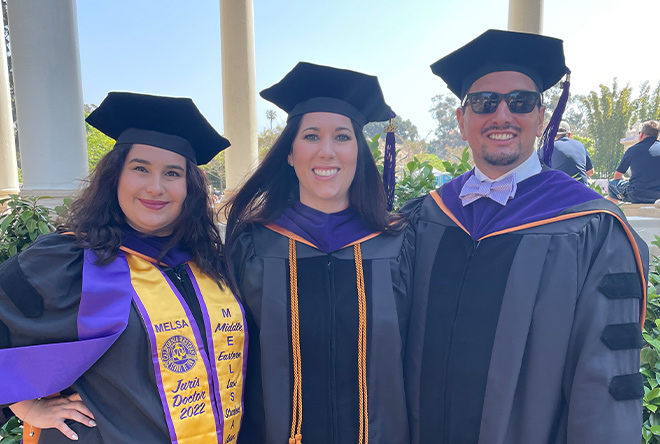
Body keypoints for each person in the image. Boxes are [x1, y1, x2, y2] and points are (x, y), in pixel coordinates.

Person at [404, 29, 648, 444]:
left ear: (540, 117)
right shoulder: (426, 216)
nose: (502, 115)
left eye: (520, 102)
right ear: (462, 122)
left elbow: (605, 378)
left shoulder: (592, 227)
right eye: (483, 103)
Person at [0, 92, 246, 444]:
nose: (155, 187)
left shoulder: (211, 263)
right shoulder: (69, 261)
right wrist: (24, 406)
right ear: (115, 176)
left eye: (172, 173)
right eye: (140, 168)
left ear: (189, 187)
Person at [224, 62, 413, 444]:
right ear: (290, 154)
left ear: (358, 152)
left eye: (342, 137)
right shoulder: (253, 244)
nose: (327, 151)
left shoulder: (398, 244)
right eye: (311, 136)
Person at [609, 120, 660, 203]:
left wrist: (625, 179)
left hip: (636, 194)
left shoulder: (633, 150)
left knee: (611, 184)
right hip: (658, 196)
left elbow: (617, 176)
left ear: (642, 134)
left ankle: (614, 214)